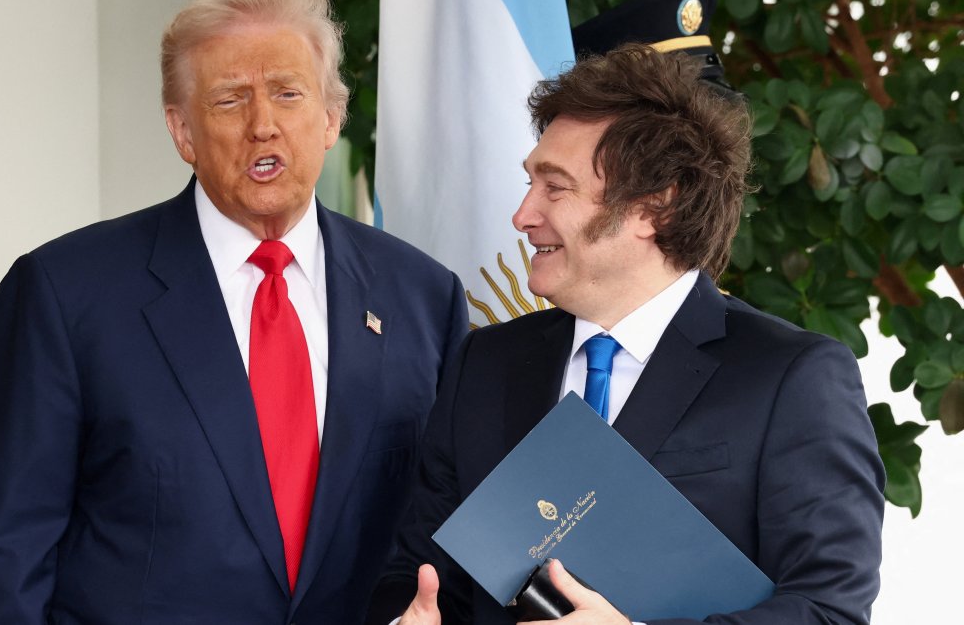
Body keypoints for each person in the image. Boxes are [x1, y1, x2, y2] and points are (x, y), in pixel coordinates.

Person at [0, 0, 468, 624]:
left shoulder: (424, 296)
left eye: (288, 93)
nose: (263, 126)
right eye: (229, 100)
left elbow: (442, 531)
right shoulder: (63, 295)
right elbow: (2, 564)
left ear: (332, 118)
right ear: (183, 132)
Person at [365, 44, 885, 625]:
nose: (522, 215)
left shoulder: (793, 377)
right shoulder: (484, 363)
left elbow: (829, 609)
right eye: (531, 182)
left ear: (653, 207)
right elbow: (412, 573)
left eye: (554, 188)